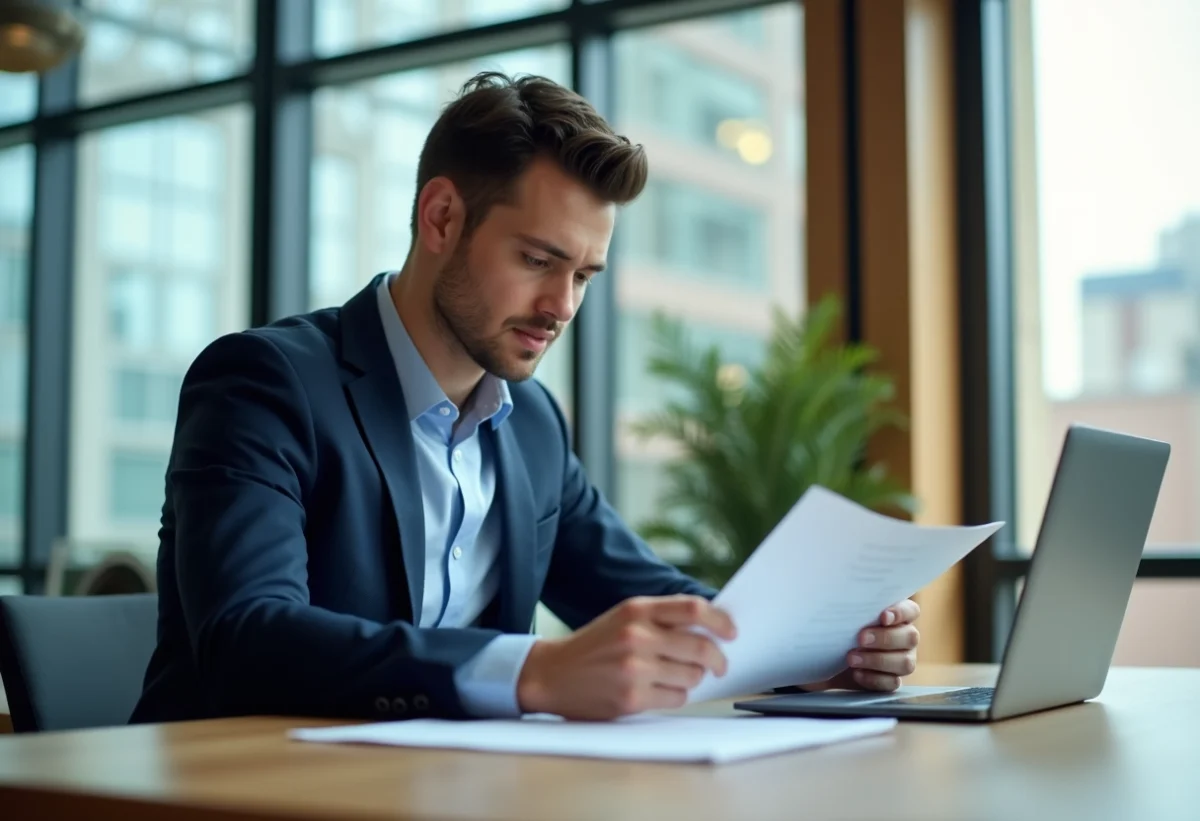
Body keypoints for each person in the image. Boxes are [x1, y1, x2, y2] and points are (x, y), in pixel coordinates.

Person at [130, 72, 919, 725]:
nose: (563, 305)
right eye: (539, 260)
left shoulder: (530, 423)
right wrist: (533, 672)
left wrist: (815, 650)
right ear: (441, 217)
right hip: (228, 790)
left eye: (583, 275)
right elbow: (247, 640)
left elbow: (646, 595)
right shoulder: (265, 382)